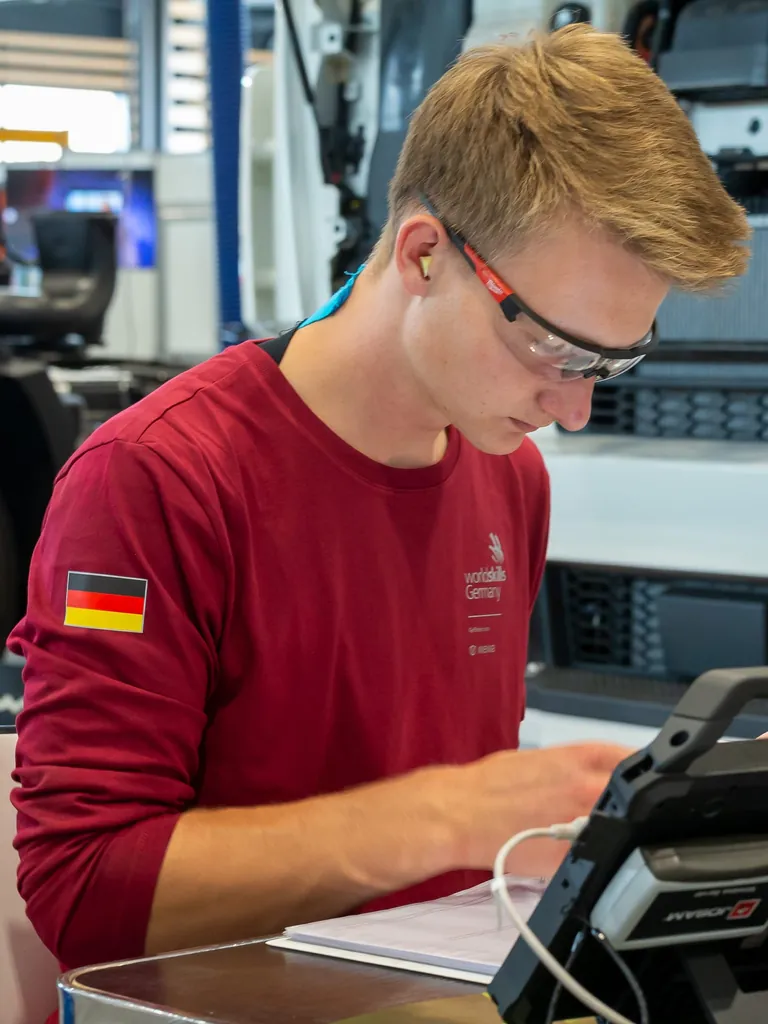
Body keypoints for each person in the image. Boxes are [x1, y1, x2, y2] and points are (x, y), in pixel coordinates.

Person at [10, 24, 748, 981]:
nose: (574, 409)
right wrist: (440, 818)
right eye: (555, 351)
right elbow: (84, 892)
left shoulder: (506, 476)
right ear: (425, 254)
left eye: (613, 362)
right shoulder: (157, 479)